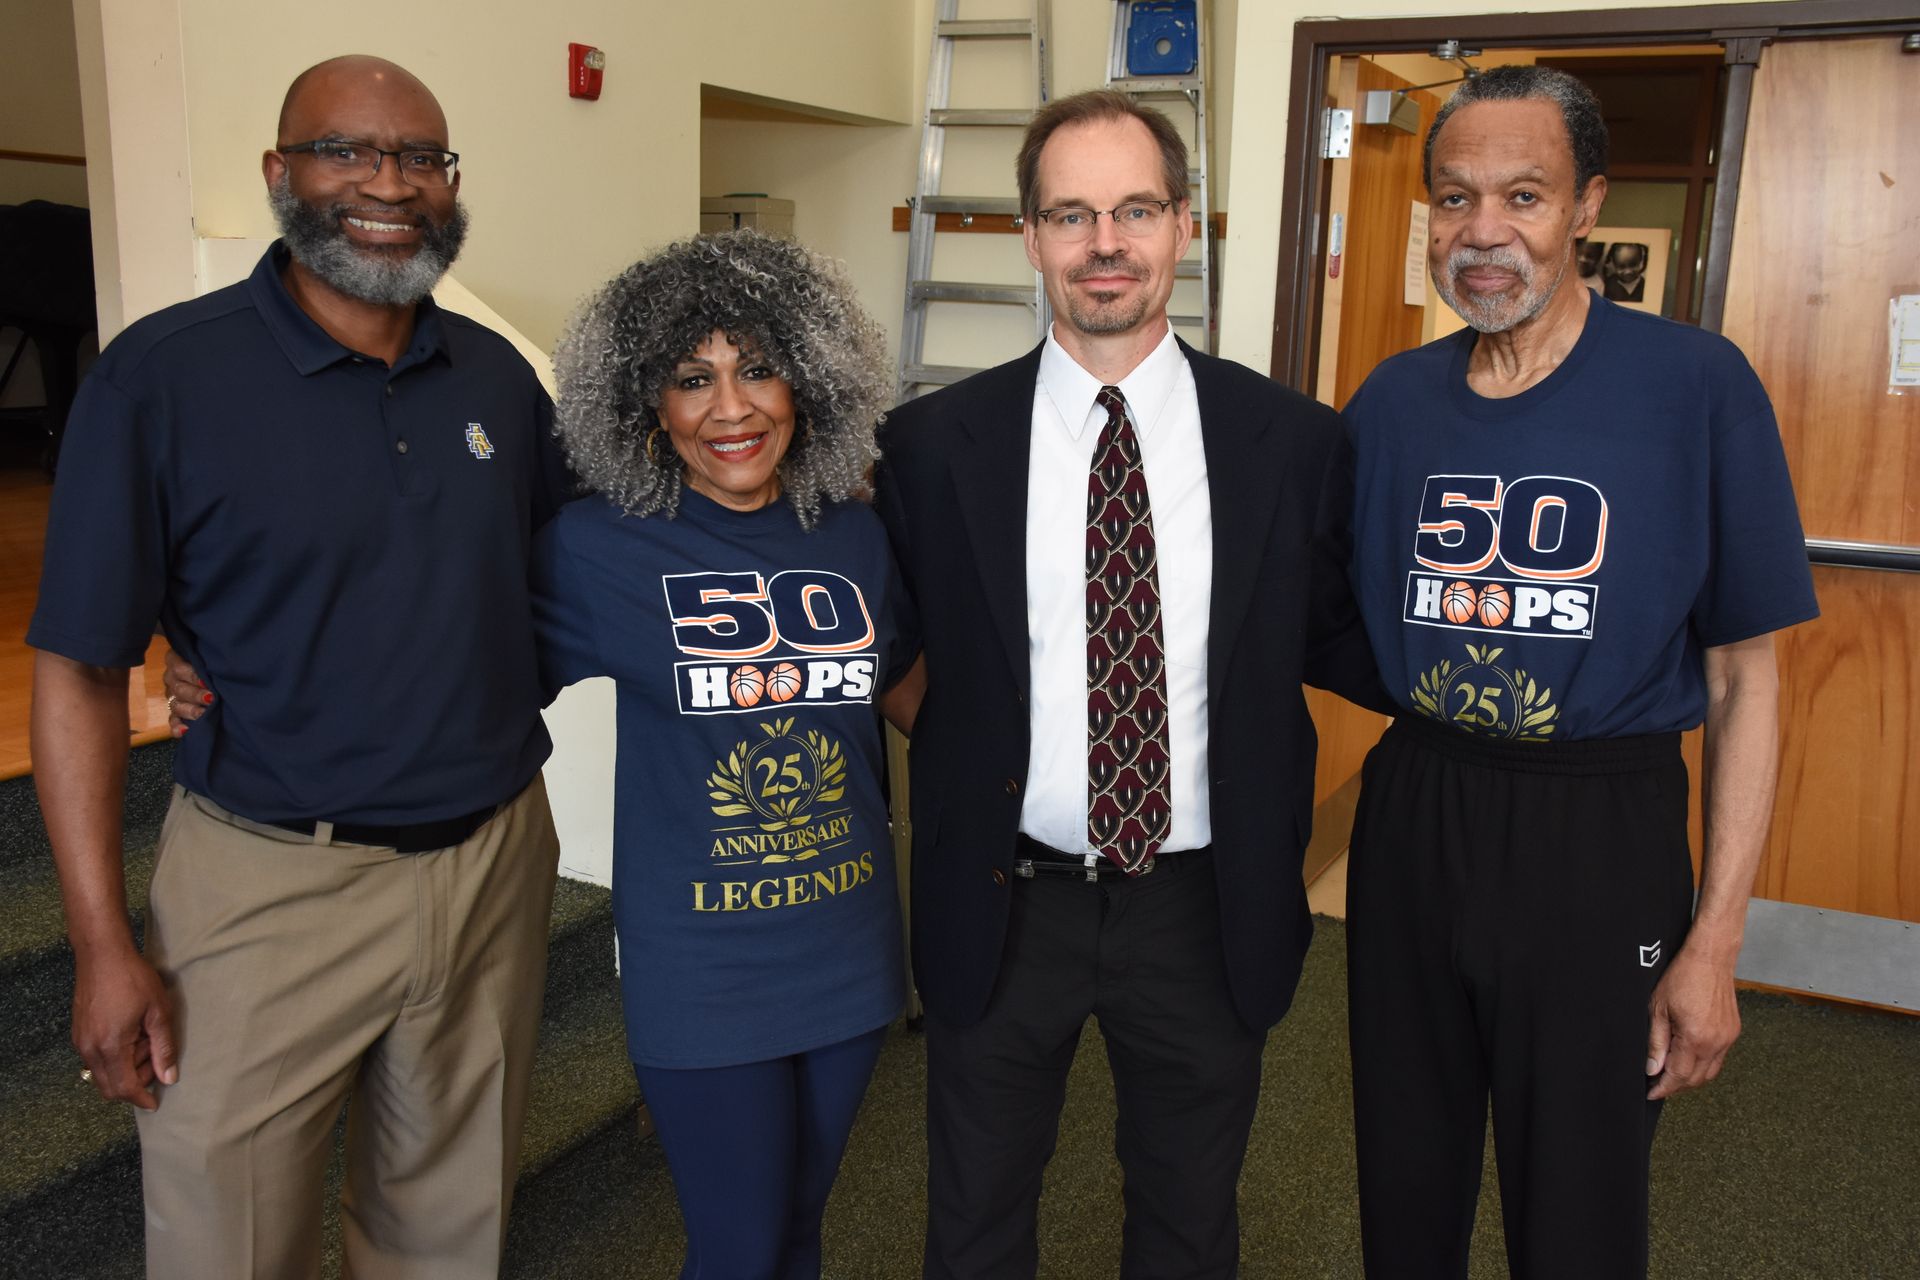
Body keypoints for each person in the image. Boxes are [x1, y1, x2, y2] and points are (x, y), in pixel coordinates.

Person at [30, 56, 569, 1278]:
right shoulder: (160, 378)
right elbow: (74, 671)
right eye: (348, 152)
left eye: (420, 159)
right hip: (270, 883)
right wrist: (102, 942)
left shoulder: (494, 378)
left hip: (492, 866)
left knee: (451, 1237)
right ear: (282, 174)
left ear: (450, 184)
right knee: (230, 1243)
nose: (389, 184)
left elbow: (572, 564)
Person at [876, 90, 1383, 1279]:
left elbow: (1340, 634)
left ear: (1184, 225)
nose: (1105, 242)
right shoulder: (932, 446)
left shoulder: (1293, 442)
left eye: (1135, 209)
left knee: (1189, 1220)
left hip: (1203, 907)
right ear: (1031, 236)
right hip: (1007, 900)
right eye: (1072, 213)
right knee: (977, 1217)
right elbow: (891, 642)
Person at [1339, 65, 1817, 1279]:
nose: (1483, 231)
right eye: (1454, 199)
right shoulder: (1391, 403)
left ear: (1588, 204)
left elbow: (1749, 682)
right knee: (1402, 1179)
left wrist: (1714, 944)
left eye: (1523, 194)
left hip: (1600, 831)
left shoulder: (1695, 387)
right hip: (1418, 817)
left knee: (1580, 1209)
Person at [531, 230, 922, 1279]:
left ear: (810, 376)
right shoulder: (596, 548)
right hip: (702, 965)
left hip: (848, 946)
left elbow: (910, 694)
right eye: (691, 378)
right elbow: (463, 675)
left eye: (757, 366)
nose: (732, 406)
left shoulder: (854, 536)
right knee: (737, 1245)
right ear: (647, 405)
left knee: (799, 1227)